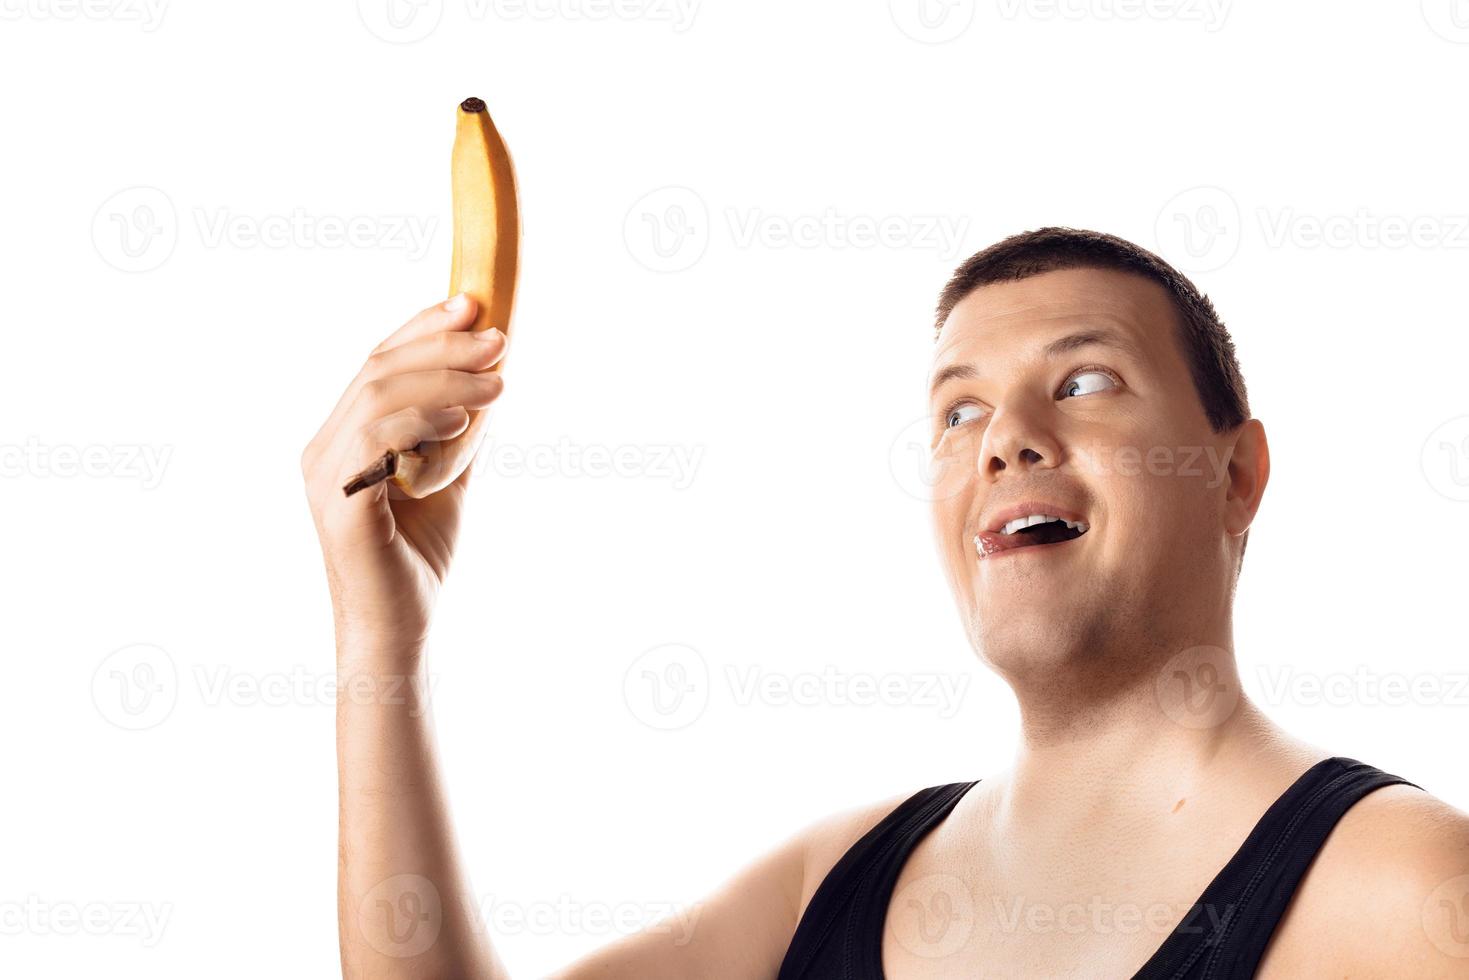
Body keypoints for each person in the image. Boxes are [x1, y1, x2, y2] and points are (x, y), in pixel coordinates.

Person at [301, 227, 1469, 978]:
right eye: (957, 411)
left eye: (1084, 380)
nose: (1006, 438)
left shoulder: (1400, 888)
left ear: (1235, 473)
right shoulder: (836, 879)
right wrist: (380, 629)